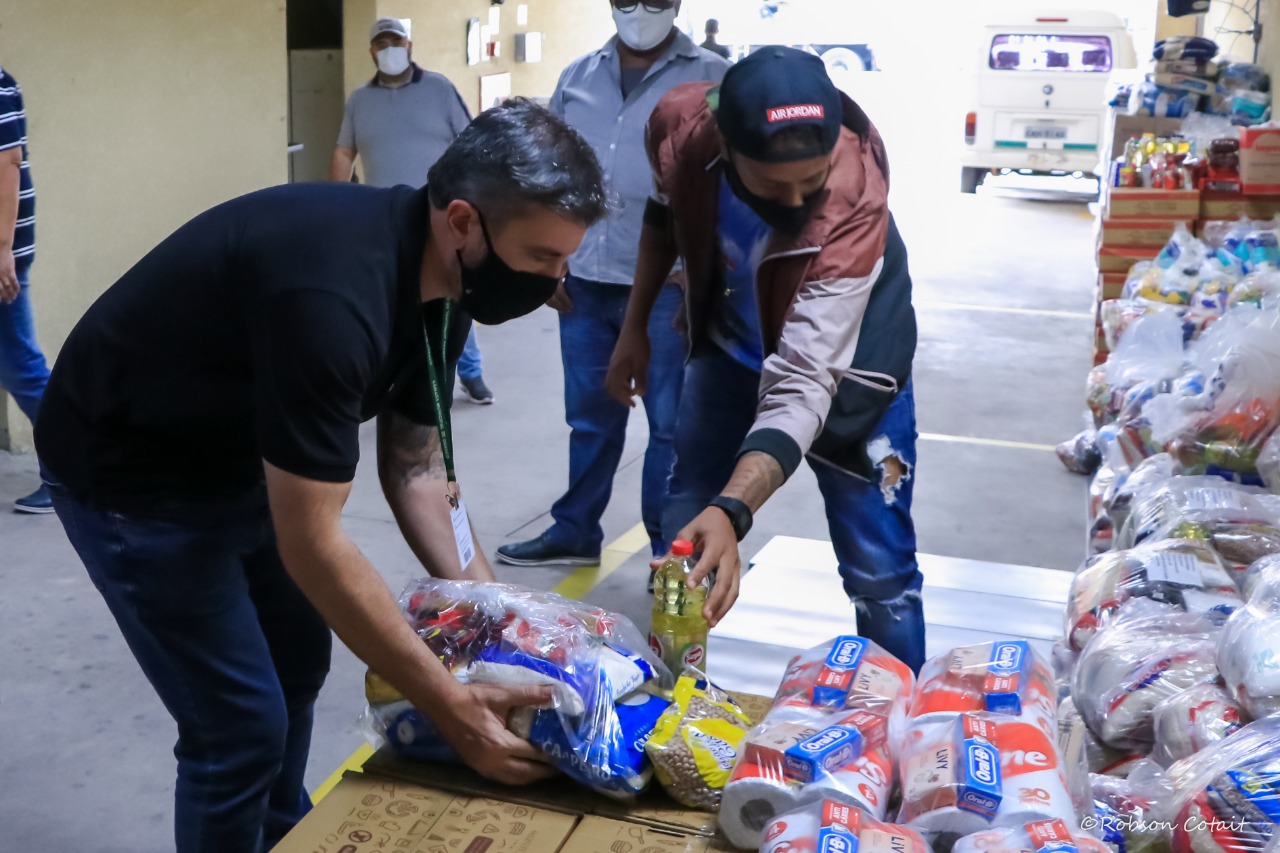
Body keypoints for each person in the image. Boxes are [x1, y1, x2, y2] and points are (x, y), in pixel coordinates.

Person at [36, 100, 606, 852]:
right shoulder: (333, 297)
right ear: (464, 221)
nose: (557, 283)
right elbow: (313, 541)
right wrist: (449, 704)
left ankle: (278, 834)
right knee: (239, 724)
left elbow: (416, 466)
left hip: (243, 452)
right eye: (542, 258)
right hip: (133, 476)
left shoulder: (450, 285)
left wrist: (502, 624)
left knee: (298, 664)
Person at [605, 48, 924, 671]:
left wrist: (735, 508)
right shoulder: (679, 124)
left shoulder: (854, 203)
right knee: (685, 529)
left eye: (814, 179)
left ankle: (894, 724)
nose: (800, 198)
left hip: (851, 373)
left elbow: (804, 380)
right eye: (775, 186)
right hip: (729, 354)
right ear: (724, 146)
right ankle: (678, 701)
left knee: (879, 570)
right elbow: (664, 215)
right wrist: (633, 326)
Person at [496, 0, 728, 569]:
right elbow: (548, 171)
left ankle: (667, 549)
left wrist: (700, 270)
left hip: (668, 289)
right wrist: (543, 260)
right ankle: (575, 531)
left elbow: (731, 179)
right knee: (590, 418)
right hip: (585, 281)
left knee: (671, 428)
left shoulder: (713, 75)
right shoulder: (578, 76)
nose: (639, 11)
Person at [331, 17, 494, 404]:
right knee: (391, 295)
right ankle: (394, 376)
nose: (389, 48)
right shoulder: (359, 100)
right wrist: (338, 199)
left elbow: (470, 140)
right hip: (383, 217)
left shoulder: (438, 89)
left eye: (396, 41)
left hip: (438, 212)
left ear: (409, 46)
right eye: (381, 42)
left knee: (451, 293)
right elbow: (343, 151)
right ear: (372, 50)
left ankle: (469, 372)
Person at [0, 65, 53, 514]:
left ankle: (76, 469)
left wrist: (2, 251)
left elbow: (7, 167)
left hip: (1, 254)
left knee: (21, 365)